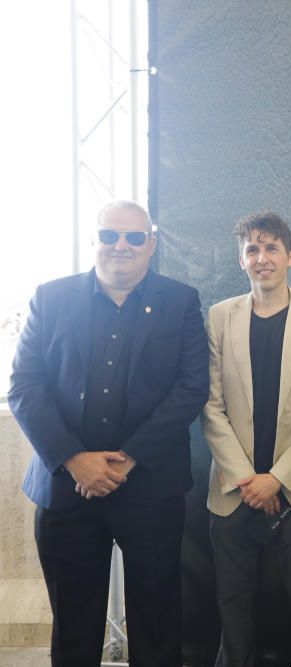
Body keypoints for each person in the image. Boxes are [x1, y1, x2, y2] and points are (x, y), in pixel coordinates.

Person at [8, 200, 209, 666]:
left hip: (151, 489)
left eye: (134, 237)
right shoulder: (50, 297)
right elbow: (24, 386)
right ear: (95, 238)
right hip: (65, 488)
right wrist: (75, 459)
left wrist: (130, 457)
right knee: (75, 621)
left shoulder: (181, 301)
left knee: (157, 618)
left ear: (151, 245)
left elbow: (191, 387)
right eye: (110, 235)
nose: (122, 245)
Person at [201, 212, 291, 666]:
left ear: (290, 256)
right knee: (233, 602)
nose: (262, 258)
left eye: (271, 248)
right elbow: (211, 406)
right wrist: (247, 478)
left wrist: (277, 478)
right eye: (253, 250)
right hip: (233, 488)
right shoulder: (220, 317)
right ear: (242, 260)